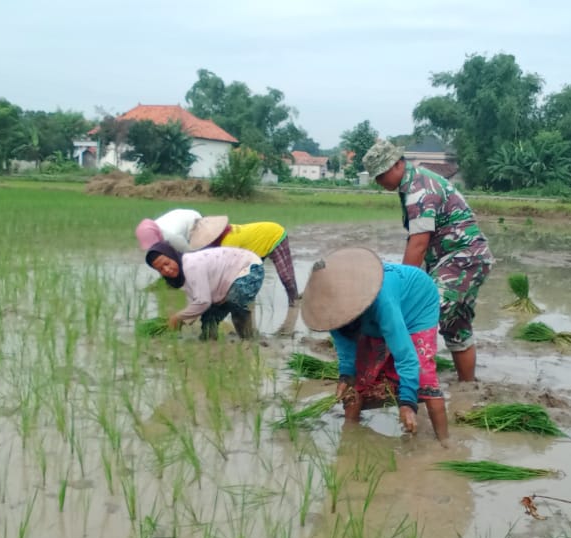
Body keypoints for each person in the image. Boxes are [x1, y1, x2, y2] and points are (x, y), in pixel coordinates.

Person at [362, 138, 493, 383]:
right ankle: (467, 389)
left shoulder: (418, 189)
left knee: (420, 314)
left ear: (397, 165)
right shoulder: (411, 184)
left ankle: (413, 386)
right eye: (376, 177)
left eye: (381, 175)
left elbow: (419, 244)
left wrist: (401, 290)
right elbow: (418, 241)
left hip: (462, 258)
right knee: (455, 326)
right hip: (456, 260)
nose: (380, 182)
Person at [300, 247, 450, 444]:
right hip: (376, 314)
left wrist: (407, 403)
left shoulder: (382, 303)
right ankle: (350, 434)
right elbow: (345, 347)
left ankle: (445, 443)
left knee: (424, 377)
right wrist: (346, 374)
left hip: (417, 304)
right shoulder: (332, 310)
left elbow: (406, 357)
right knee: (360, 380)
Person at [145, 241, 264, 340]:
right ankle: (209, 342)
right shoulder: (181, 277)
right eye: (161, 269)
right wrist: (179, 323)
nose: (167, 270)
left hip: (249, 267)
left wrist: (177, 317)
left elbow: (203, 302)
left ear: (173, 256)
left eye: (167, 263)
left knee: (235, 301)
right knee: (209, 318)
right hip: (226, 280)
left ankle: (248, 340)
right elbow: (196, 301)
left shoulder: (191, 265)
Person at [188, 216, 300, 303]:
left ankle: (294, 301)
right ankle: (250, 303)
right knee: (251, 278)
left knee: (286, 276)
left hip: (274, 235)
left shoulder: (228, 241)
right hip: (254, 248)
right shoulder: (218, 240)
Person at [136, 208, 202, 253]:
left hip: (193, 220)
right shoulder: (151, 228)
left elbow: (188, 252)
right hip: (179, 216)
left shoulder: (171, 236)